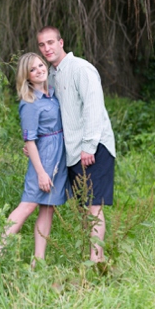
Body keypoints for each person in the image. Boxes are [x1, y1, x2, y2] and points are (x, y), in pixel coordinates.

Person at [37, 26, 116, 264]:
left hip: (93, 148)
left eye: (51, 42)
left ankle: (96, 262)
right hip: (72, 151)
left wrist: (89, 146)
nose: (46, 48)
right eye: (41, 45)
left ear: (61, 43)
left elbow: (93, 106)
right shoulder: (51, 75)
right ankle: (94, 256)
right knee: (83, 208)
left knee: (93, 207)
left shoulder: (81, 68)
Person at [0, 52, 68, 267]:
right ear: (27, 76)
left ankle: (38, 261)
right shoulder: (30, 102)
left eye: (41, 65)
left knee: (48, 207)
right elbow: (30, 141)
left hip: (58, 156)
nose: (39, 70)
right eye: (32, 69)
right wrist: (41, 172)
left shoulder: (52, 94)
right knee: (28, 205)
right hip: (43, 159)